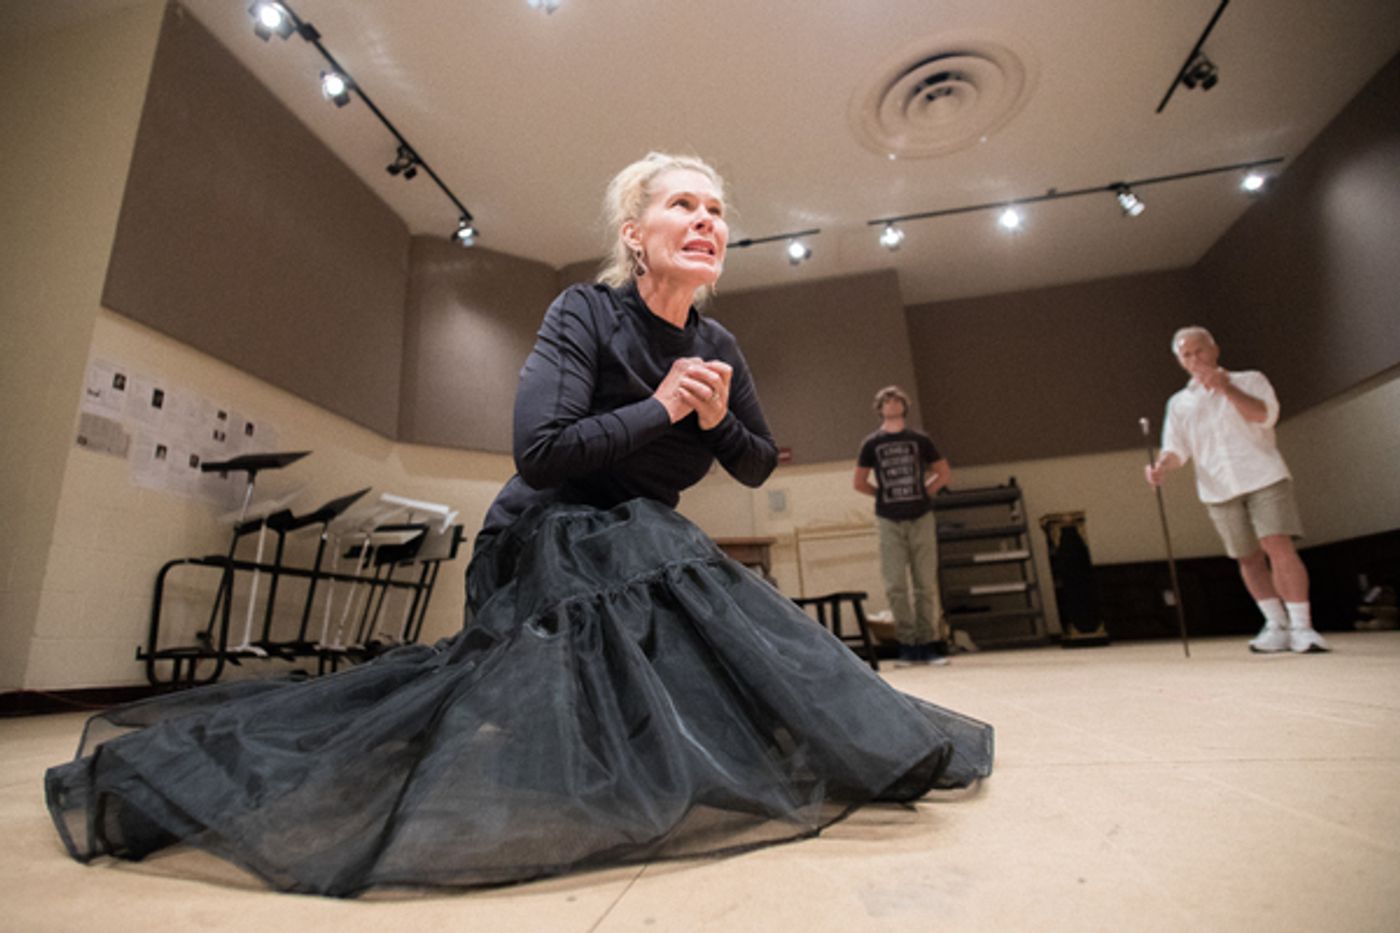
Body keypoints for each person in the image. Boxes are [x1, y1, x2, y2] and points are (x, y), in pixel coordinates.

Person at [45, 153, 993, 898]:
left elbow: (752, 460)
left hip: (644, 548)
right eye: (683, 207)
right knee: (652, 569)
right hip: (543, 534)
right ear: (636, 233)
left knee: (681, 573)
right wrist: (664, 407)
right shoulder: (583, 310)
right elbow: (540, 450)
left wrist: (711, 415)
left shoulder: (720, 344)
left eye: (717, 210)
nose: (707, 221)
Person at [1145, 326, 1329, 654]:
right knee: (1247, 557)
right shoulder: (1180, 403)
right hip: (1218, 488)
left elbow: (1264, 416)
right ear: (1180, 361)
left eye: (1199, 351)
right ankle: (1276, 623)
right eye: (1186, 355)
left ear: (1214, 349)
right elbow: (1176, 449)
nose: (1194, 359)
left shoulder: (1250, 380)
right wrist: (1162, 467)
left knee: (1277, 544)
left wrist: (1226, 388)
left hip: (1263, 476)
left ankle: (1303, 625)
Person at [854, 386, 953, 665]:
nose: (892, 404)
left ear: (904, 406)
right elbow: (859, 482)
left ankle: (929, 642)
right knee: (895, 584)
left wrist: (925, 492)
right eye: (887, 400)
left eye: (897, 400)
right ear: (879, 407)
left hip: (921, 515)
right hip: (888, 519)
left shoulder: (920, 440)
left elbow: (943, 473)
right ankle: (908, 645)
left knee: (924, 584)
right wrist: (883, 496)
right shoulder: (871, 443)